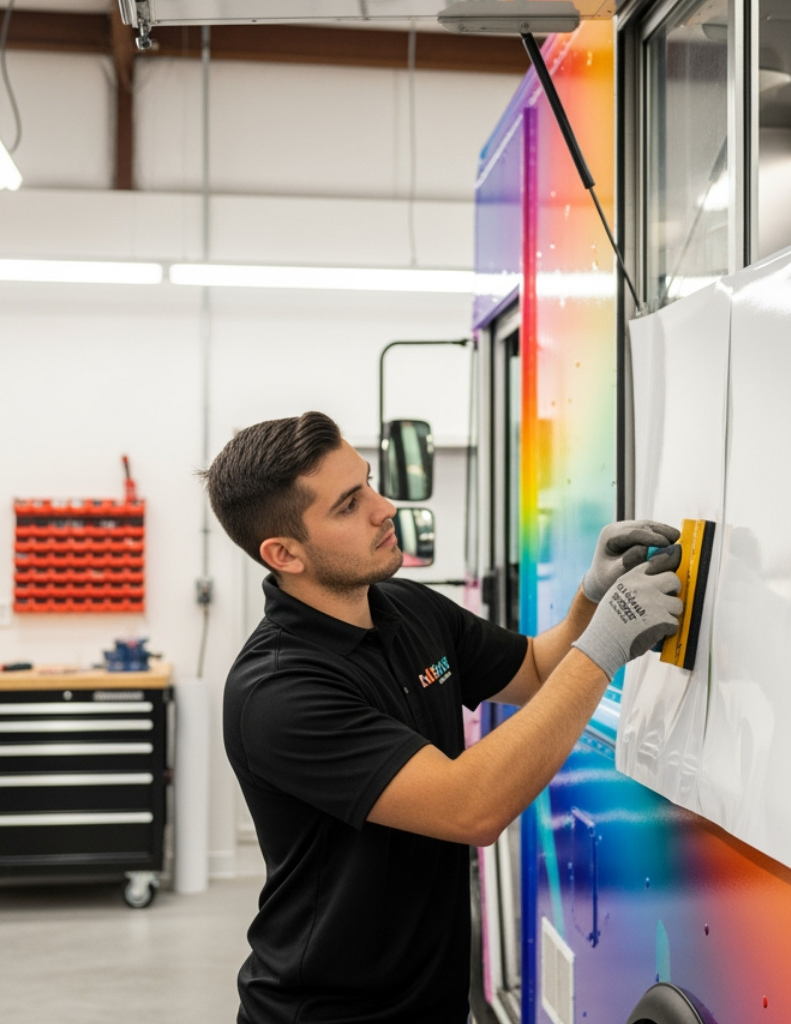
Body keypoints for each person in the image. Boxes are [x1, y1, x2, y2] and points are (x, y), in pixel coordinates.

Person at [202, 411, 684, 1024]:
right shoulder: (278, 691)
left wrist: (592, 596)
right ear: (284, 553)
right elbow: (470, 806)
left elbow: (535, 668)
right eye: (350, 505)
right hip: (329, 1014)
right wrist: (607, 648)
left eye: (370, 483)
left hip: (432, 1001)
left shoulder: (404, 606)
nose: (385, 508)